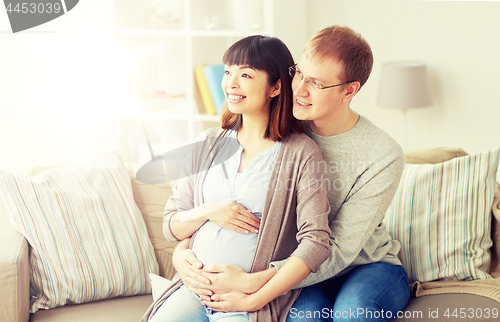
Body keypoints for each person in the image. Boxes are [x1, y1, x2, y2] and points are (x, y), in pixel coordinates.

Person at [172, 25, 411, 322]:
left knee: (352, 312)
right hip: (292, 266)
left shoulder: (382, 153)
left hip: (363, 265)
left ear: (349, 90)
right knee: (304, 318)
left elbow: (337, 248)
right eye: (299, 74)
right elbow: (200, 203)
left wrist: (253, 283)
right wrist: (182, 254)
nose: (298, 89)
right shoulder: (280, 132)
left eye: (316, 84)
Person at [140, 35, 332, 322]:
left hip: (245, 302)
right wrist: (209, 212)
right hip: (194, 292)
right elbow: (172, 224)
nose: (231, 83)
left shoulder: (300, 153)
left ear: (276, 86)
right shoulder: (207, 143)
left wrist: (256, 293)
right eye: (228, 71)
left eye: (245, 75)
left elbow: (315, 241)